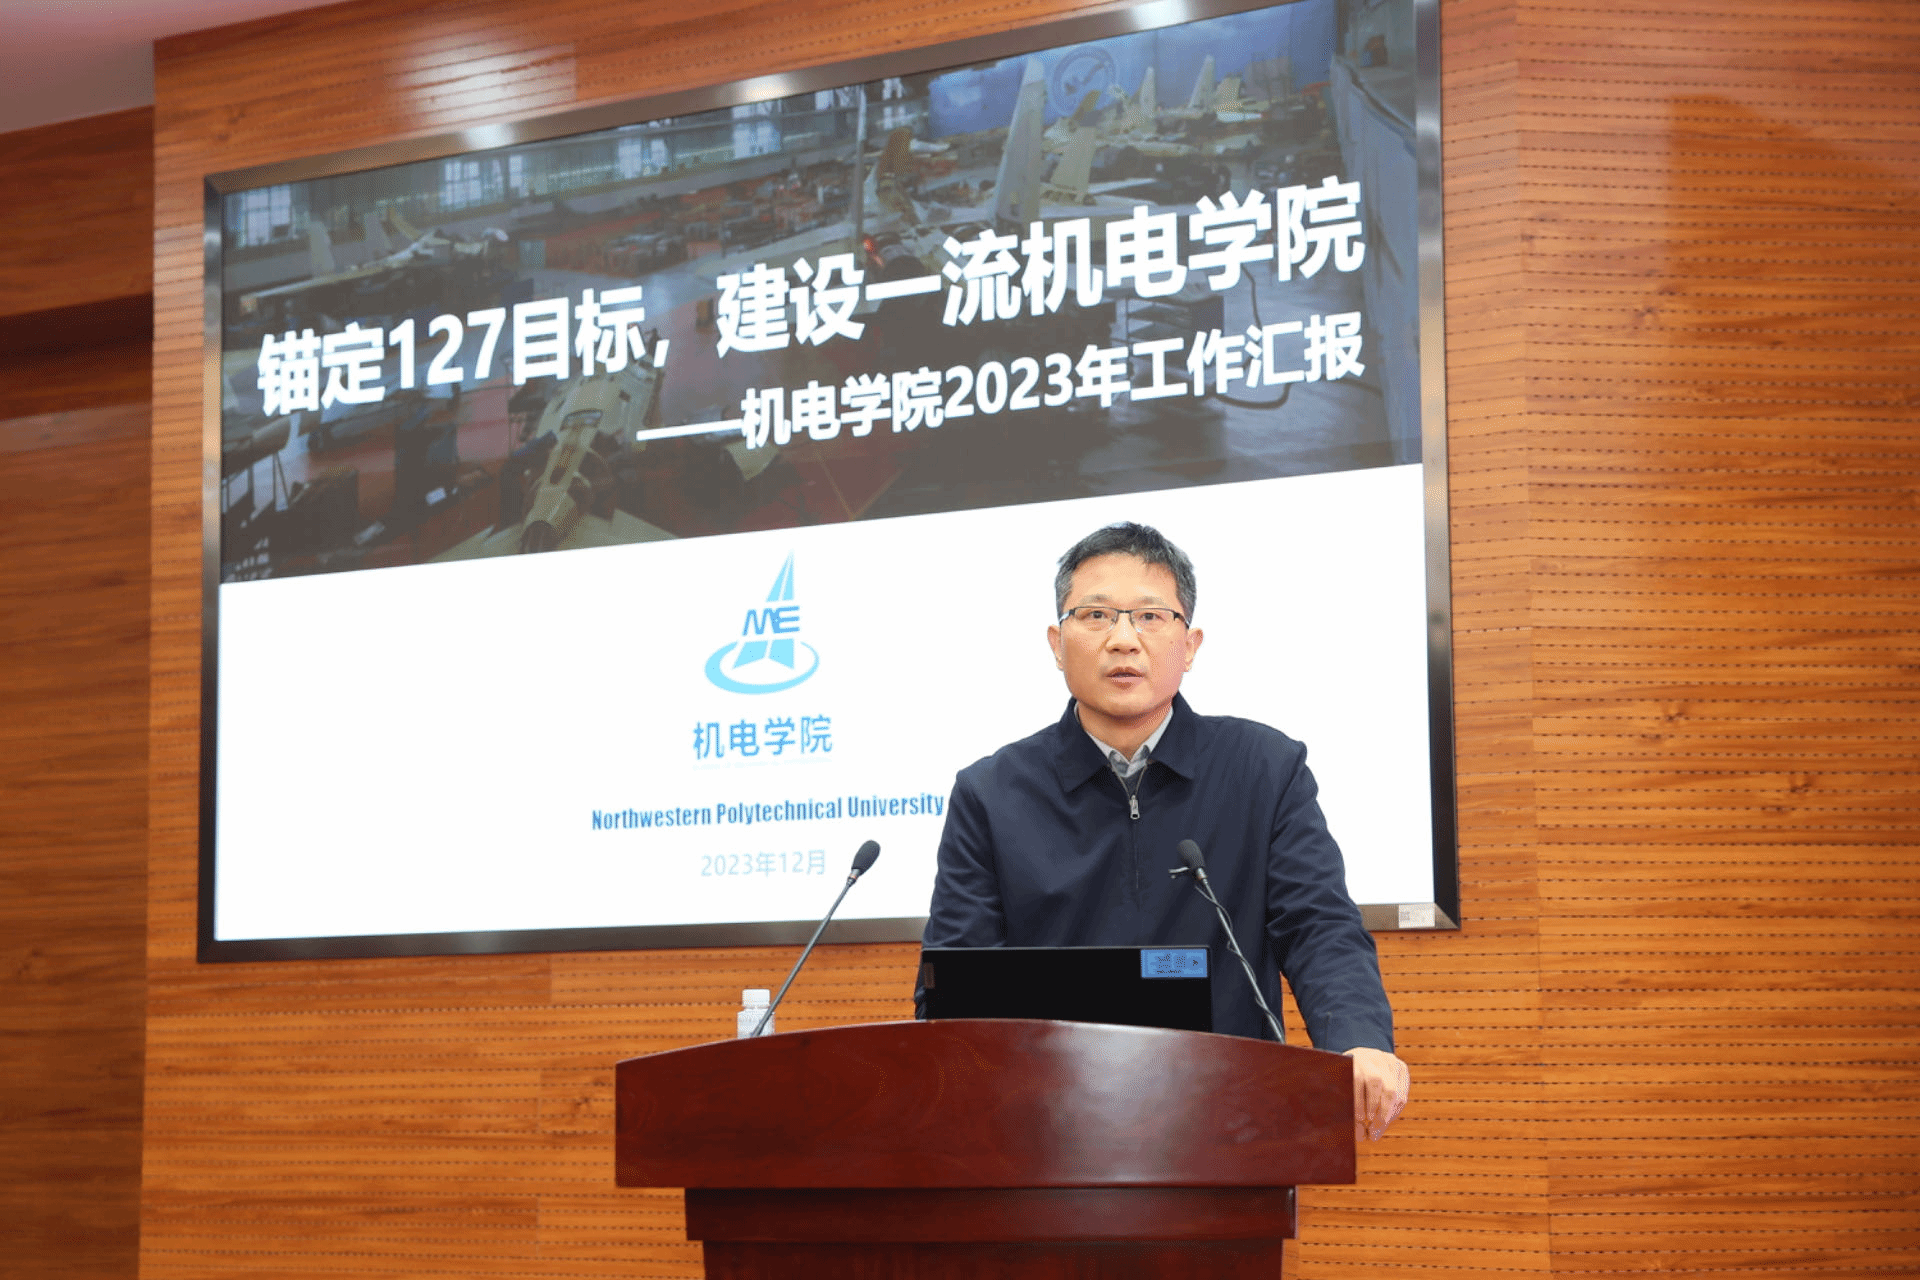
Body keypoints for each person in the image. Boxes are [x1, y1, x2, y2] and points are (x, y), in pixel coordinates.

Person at [920, 521, 1411, 1141]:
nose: (1123, 640)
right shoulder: (991, 792)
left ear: (1191, 643)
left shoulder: (1264, 768)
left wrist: (1358, 1040)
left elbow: (1317, 925)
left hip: (1229, 1122)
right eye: (1095, 615)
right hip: (1045, 1128)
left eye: (1151, 617)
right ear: (1056, 642)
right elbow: (955, 980)